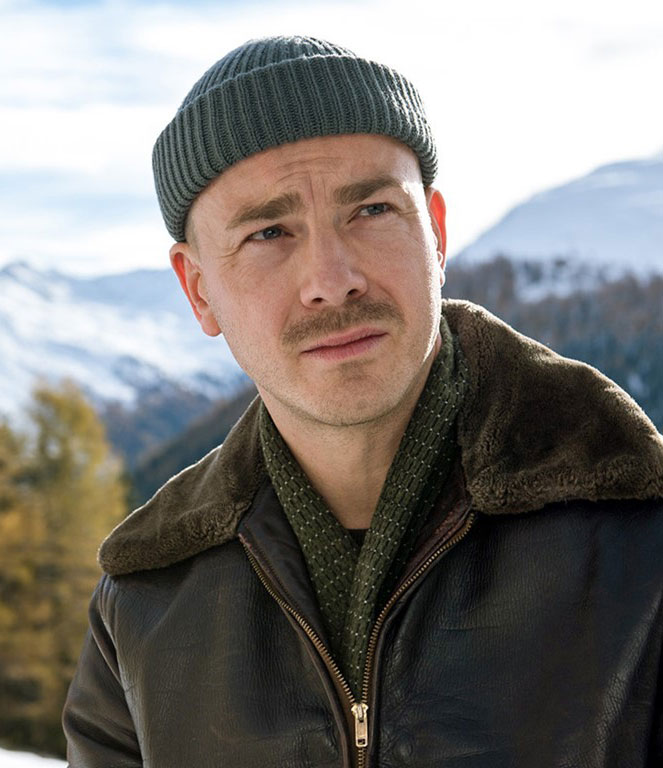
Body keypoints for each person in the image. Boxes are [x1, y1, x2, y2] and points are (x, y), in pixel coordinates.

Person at [63, 35, 663, 767]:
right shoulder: (143, 606)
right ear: (199, 290)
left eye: (372, 210)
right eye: (269, 232)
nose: (332, 278)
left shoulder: (641, 539)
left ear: (435, 235)